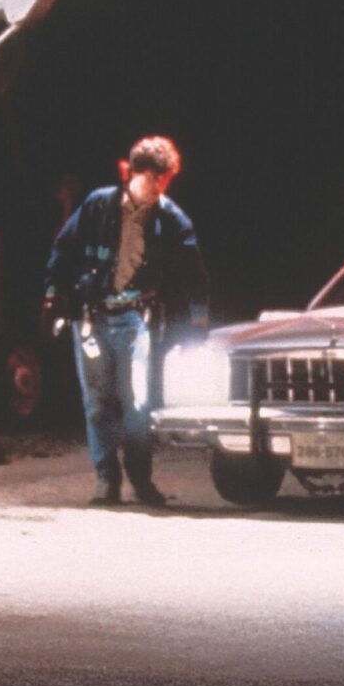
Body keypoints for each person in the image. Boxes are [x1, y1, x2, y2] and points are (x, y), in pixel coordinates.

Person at [43, 136, 209, 507]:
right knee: (98, 401)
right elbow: (63, 249)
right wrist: (53, 295)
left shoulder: (172, 219)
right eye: (156, 179)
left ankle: (140, 477)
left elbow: (193, 272)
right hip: (91, 317)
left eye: (165, 180)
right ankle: (106, 478)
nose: (160, 188)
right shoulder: (98, 205)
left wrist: (198, 318)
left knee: (137, 401)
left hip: (136, 319)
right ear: (137, 174)